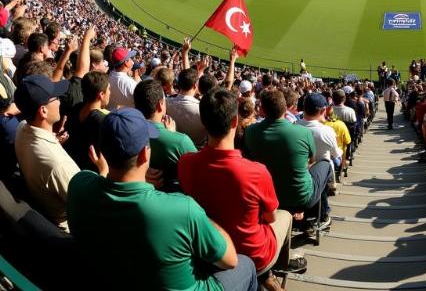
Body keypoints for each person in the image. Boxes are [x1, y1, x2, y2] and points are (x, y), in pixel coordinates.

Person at [68, 108, 257, 291]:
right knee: (246, 265)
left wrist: (106, 172)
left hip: (112, 277)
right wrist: (201, 216)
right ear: (144, 154)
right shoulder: (183, 210)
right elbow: (230, 259)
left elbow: (101, 182)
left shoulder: (78, 184)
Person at [179, 88, 301, 284]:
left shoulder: (186, 163)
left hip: (208, 251)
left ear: (203, 121)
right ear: (235, 121)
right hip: (252, 255)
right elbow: (270, 217)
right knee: (284, 215)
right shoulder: (256, 171)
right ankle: (275, 271)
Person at [244, 89, 332, 229]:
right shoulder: (303, 132)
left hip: (265, 196)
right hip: (300, 198)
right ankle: (319, 216)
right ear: (286, 109)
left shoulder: (250, 132)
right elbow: (311, 161)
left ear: (262, 110)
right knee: (326, 163)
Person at [14, 74, 79, 229]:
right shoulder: (58, 164)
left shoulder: (21, 128)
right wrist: (103, 174)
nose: (59, 100)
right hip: (69, 230)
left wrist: (52, 140)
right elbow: (88, 206)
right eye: (55, 97)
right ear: (43, 110)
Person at [134, 78, 196, 192]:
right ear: (160, 105)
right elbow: (200, 172)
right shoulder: (180, 141)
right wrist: (173, 135)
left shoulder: (124, 131)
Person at [168, 67, 206, 147]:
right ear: (195, 85)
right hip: (195, 150)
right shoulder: (203, 109)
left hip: (172, 146)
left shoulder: (165, 103)